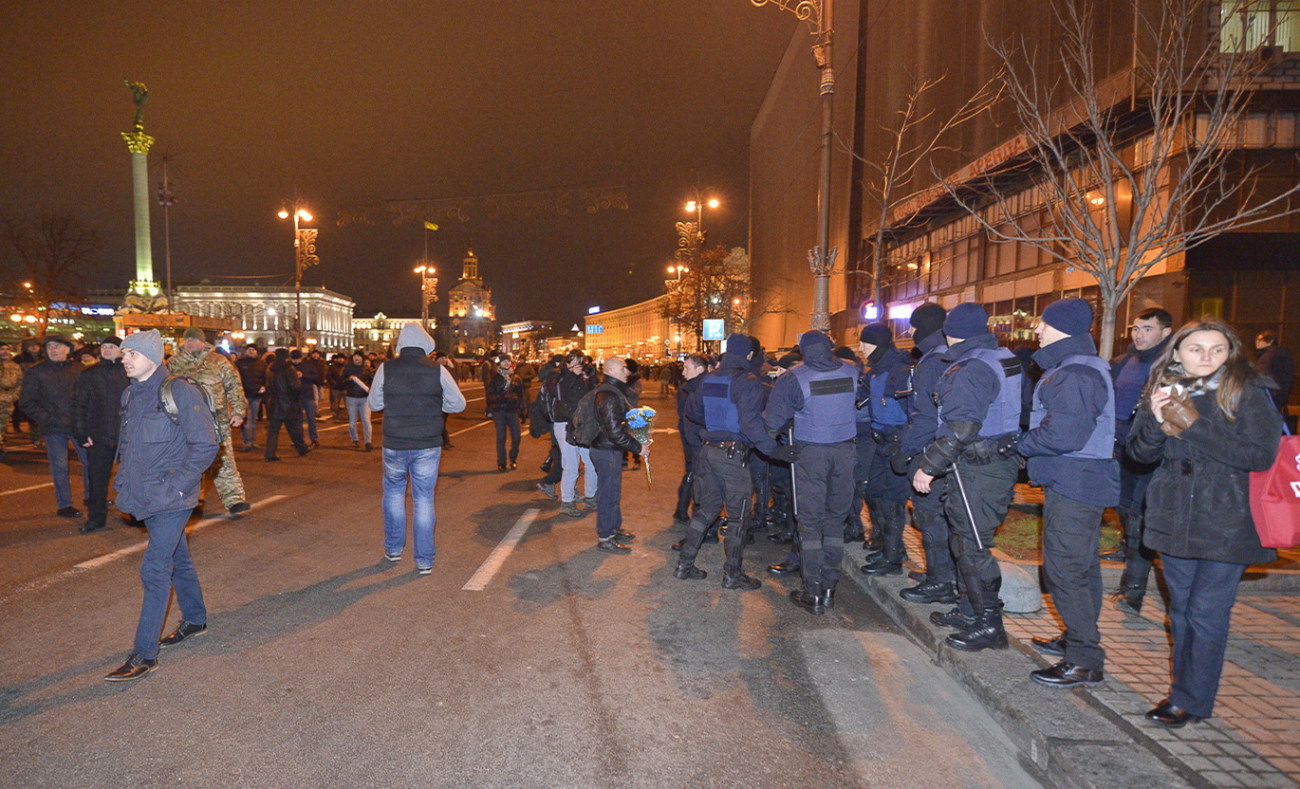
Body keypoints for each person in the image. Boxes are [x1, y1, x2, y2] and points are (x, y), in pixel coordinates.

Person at [1126, 319, 1282, 728]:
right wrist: (1161, 422)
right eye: (1196, 349)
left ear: (1231, 353)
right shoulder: (1162, 389)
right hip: (1175, 516)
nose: (1207, 357)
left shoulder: (1249, 392)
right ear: (1177, 352)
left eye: (1217, 349)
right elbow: (1139, 454)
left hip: (1228, 520)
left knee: (1206, 613)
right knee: (1181, 611)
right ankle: (1185, 692)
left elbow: (1259, 456)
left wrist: (1193, 423)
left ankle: (1190, 700)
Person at [1011, 299, 1118, 688]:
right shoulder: (1077, 368)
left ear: (1064, 329)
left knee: (1065, 570)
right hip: (1080, 480)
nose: (1038, 331)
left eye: (1044, 324)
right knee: (1082, 566)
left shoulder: (1074, 374)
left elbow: (1065, 435)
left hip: (1075, 481)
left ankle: (1084, 660)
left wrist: (1022, 443)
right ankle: (1077, 639)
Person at [104, 330, 219, 682]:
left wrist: (176, 485)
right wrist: (123, 480)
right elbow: (130, 446)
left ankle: (144, 654)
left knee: (154, 569)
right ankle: (196, 619)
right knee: (177, 558)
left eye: (132, 354)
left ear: (152, 357)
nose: (125, 358)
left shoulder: (179, 390)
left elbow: (206, 445)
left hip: (172, 496)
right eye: (123, 353)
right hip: (145, 492)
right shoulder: (130, 394)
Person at [912, 303, 1024, 651]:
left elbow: (961, 428)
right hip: (990, 462)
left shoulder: (970, 368)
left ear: (951, 332)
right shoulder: (1000, 356)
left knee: (972, 546)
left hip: (979, 468)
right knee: (965, 541)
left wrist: (928, 467)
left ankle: (990, 625)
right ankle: (968, 610)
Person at [675, 335, 788, 588]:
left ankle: (684, 565)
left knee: (707, 509)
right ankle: (732, 575)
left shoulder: (710, 378)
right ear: (749, 356)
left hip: (707, 453)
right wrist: (774, 450)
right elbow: (751, 424)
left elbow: (692, 412)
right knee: (739, 516)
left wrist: (716, 427)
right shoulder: (747, 382)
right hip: (732, 455)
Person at [764, 331, 858, 615]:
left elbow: (773, 421)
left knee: (810, 523)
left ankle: (813, 592)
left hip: (811, 456)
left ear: (803, 351)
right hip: (845, 454)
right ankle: (829, 588)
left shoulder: (794, 378)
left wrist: (770, 447)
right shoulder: (853, 372)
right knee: (834, 522)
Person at [367, 323, 466, 574]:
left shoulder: (385, 368)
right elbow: (458, 404)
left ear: (401, 344)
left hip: (394, 441)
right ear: (426, 343)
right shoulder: (438, 370)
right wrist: (436, 403)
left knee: (393, 494)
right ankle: (424, 560)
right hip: (427, 443)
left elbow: (374, 403)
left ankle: (393, 549)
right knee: (423, 499)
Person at [889, 304, 959, 605]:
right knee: (942, 519)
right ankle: (943, 575)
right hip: (947, 452)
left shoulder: (932, 363)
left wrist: (903, 450)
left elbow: (926, 417)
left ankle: (940, 582)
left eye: (914, 328)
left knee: (930, 519)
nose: (911, 334)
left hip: (930, 451)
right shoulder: (951, 357)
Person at [1106, 307, 1173, 612]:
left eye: (1147, 329)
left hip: (1151, 456)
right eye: (1136, 328)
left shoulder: (1170, 367)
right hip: (1121, 452)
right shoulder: (1122, 363)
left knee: (1138, 518)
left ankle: (1133, 589)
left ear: (1166, 332)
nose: (1139, 334)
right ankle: (1130, 553)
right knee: (1124, 510)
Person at [167, 327, 250, 515]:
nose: (190, 343)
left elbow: (234, 387)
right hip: (185, 421)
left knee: (223, 459)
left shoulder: (218, 362)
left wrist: (238, 411)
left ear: (203, 343)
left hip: (216, 419)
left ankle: (234, 499)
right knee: (189, 461)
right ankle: (193, 499)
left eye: (194, 340)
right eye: (187, 339)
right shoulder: (173, 363)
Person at [856, 323, 915, 577]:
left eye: (864, 343)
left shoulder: (900, 372)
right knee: (876, 494)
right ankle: (887, 548)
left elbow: (915, 412)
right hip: (879, 442)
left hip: (897, 443)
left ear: (877, 345)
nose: (860, 348)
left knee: (892, 503)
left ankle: (893, 558)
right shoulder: (875, 373)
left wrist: (906, 445)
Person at [18, 334, 87, 518]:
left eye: (58, 346)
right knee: (60, 467)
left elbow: (89, 397)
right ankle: (64, 504)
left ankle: (91, 497)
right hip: (53, 427)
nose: (54, 350)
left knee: (89, 463)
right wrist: (47, 418)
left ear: (68, 349)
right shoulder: (36, 371)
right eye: (50, 348)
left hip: (78, 425)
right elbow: (26, 401)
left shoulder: (79, 369)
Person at [585, 356, 647, 554]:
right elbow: (614, 432)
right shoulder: (609, 395)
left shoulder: (613, 391)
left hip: (608, 448)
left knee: (613, 493)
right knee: (607, 494)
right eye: (623, 368)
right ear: (611, 371)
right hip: (606, 449)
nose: (627, 372)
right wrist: (638, 447)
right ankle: (605, 537)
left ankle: (613, 528)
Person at [72, 336, 129, 533]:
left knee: (133, 476)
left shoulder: (130, 373)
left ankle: (136, 513)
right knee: (97, 479)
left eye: (112, 346)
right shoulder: (90, 374)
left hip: (127, 435)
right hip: (99, 434)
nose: (107, 350)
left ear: (122, 350)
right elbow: (79, 404)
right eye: (104, 346)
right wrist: (80, 432)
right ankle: (96, 518)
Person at [543, 350, 598, 518]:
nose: (577, 365)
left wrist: (590, 377)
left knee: (590, 461)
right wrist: (572, 375)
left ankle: (590, 496)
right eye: (573, 362)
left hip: (583, 424)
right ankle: (567, 502)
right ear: (566, 363)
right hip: (565, 424)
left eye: (580, 362)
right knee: (571, 466)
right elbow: (560, 393)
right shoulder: (557, 377)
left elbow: (594, 394)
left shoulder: (583, 377)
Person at [672, 354, 708, 528]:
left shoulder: (693, 387)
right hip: (695, 438)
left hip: (692, 436)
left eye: (687, 368)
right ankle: (686, 512)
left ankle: (681, 509)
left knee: (692, 472)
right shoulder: (691, 388)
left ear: (700, 369)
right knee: (696, 474)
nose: (683, 372)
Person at [264, 348, 310, 461]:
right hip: (288, 402)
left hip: (274, 402)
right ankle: (302, 448)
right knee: (293, 428)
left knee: (273, 430)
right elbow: (295, 386)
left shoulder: (270, 368)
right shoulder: (289, 369)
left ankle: (269, 454)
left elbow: (268, 385)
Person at [486, 355, 522, 471]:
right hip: (499, 410)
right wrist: (502, 397)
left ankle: (513, 458)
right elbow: (489, 396)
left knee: (516, 436)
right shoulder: (495, 378)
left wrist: (523, 410)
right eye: (504, 361)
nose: (506, 363)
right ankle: (501, 462)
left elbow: (521, 395)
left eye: (508, 361)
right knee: (501, 438)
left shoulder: (516, 378)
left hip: (512, 411)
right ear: (499, 364)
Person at [234, 345, 267, 452]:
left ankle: (252, 440)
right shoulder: (240, 363)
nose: (251, 351)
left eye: (253, 349)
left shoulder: (261, 364)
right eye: (249, 350)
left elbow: (265, 377)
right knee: (247, 419)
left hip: (256, 395)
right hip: (245, 395)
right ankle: (247, 441)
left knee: (253, 419)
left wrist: (264, 387)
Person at [1254, 330, 1294, 417]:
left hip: (1269, 396)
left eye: (1260, 340)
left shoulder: (1266, 357)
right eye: (1256, 340)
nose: (1257, 342)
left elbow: (1262, 377)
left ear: (1270, 341)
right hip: (1280, 395)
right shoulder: (1283, 354)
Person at [292, 349, 325, 448]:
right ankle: (299, 440)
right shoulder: (289, 367)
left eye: (297, 359)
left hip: (308, 395)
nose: (296, 361)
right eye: (294, 359)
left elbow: (316, 377)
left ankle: (314, 439)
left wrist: (303, 375)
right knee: (298, 420)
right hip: (296, 396)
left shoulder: (307, 365)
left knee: (311, 419)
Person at [342, 351, 373, 450]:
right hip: (351, 397)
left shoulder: (367, 370)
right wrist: (349, 380)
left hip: (365, 398)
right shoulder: (347, 369)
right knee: (352, 422)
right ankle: (354, 439)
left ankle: (368, 441)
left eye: (359, 356)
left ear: (362, 358)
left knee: (366, 420)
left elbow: (372, 382)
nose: (357, 358)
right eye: (355, 356)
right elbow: (342, 382)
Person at [0, 342, 22, 462]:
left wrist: (14, 396)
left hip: (7, 400)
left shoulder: (14, 366)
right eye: (2, 349)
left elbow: (20, 383)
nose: (5, 351)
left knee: (2, 426)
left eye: (6, 349)